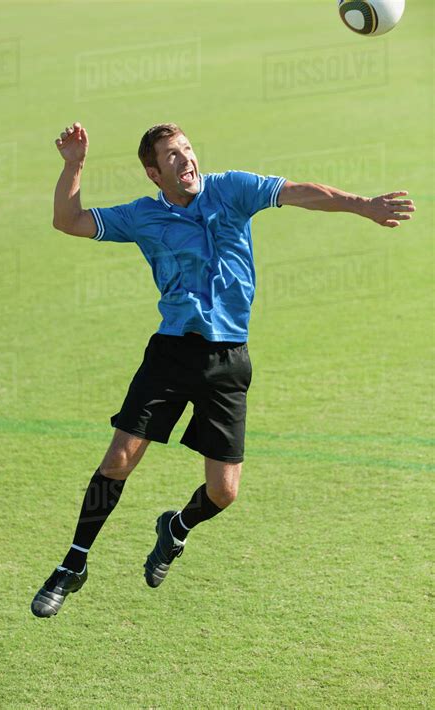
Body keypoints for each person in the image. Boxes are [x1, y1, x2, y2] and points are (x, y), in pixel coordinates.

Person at [31, 121, 415, 618]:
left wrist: (363, 206)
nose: (185, 160)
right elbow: (69, 221)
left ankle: (176, 528)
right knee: (119, 460)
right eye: (171, 156)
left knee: (223, 492)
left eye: (187, 150)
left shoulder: (232, 188)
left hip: (229, 358)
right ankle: (73, 564)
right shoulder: (142, 216)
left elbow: (299, 193)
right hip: (171, 352)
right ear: (154, 173)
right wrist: (73, 165)